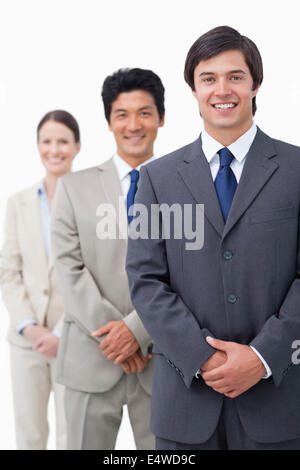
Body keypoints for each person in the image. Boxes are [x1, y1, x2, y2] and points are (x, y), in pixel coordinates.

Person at [126, 26, 300, 450]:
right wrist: (204, 357)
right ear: (193, 88)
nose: (222, 89)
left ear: (255, 83)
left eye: (235, 76)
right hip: (184, 406)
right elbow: (146, 282)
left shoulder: (296, 168)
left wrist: (261, 358)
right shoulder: (155, 178)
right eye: (209, 78)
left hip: (277, 402)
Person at [51, 68, 165, 450]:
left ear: (161, 118)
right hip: (89, 357)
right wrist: (119, 335)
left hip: (162, 361)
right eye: (122, 114)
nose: (134, 124)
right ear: (108, 122)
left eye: (145, 113)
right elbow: (68, 268)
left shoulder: (185, 187)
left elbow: (188, 272)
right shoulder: (72, 187)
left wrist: (138, 332)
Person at [0, 110, 81, 449]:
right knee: (29, 435)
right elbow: (9, 271)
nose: (54, 149)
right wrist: (30, 326)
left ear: (77, 146)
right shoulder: (17, 202)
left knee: (72, 435)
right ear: (37, 146)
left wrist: (61, 331)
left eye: (63, 141)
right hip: (26, 341)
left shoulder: (88, 202)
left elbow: (92, 273)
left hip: (74, 339)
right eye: (47, 142)